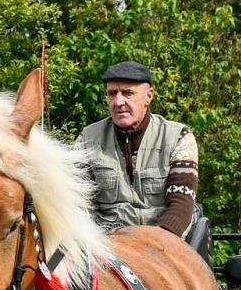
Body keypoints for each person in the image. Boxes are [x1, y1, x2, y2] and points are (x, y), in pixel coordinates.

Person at [77, 60, 198, 238]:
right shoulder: (87, 139)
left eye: (128, 93)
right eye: (112, 94)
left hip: (165, 239)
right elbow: (77, 203)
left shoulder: (178, 136)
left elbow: (182, 203)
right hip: (107, 244)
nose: (118, 102)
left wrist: (159, 239)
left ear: (149, 96)